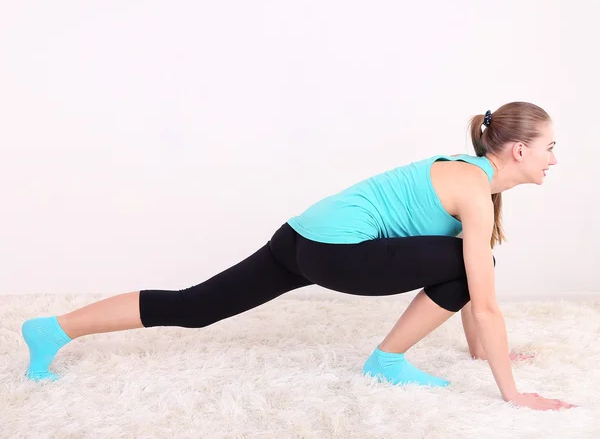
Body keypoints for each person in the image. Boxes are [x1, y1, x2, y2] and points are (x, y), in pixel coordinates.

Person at [21, 101, 576, 411]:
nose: (554, 158)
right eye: (550, 147)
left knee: (196, 306)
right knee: (474, 266)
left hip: (301, 236)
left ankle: (51, 330)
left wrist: (481, 355)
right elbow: (483, 301)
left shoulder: (468, 173)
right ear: (520, 150)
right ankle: (385, 362)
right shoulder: (476, 192)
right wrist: (513, 394)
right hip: (336, 252)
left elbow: (466, 289)